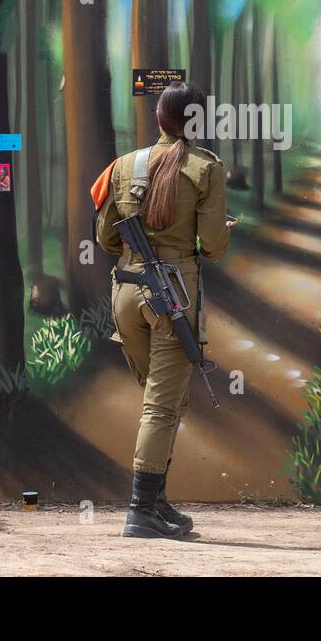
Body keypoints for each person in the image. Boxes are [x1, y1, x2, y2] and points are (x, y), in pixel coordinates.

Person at [92, 81, 232, 540]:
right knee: (161, 407)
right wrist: (206, 234)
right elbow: (212, 247)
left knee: (165, 403)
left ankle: (156, 503)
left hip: (127, 295)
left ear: (158, 118)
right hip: (172, 297)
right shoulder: (205, 168)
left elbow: (106, 239)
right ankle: (139, 512)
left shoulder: (124, 166)